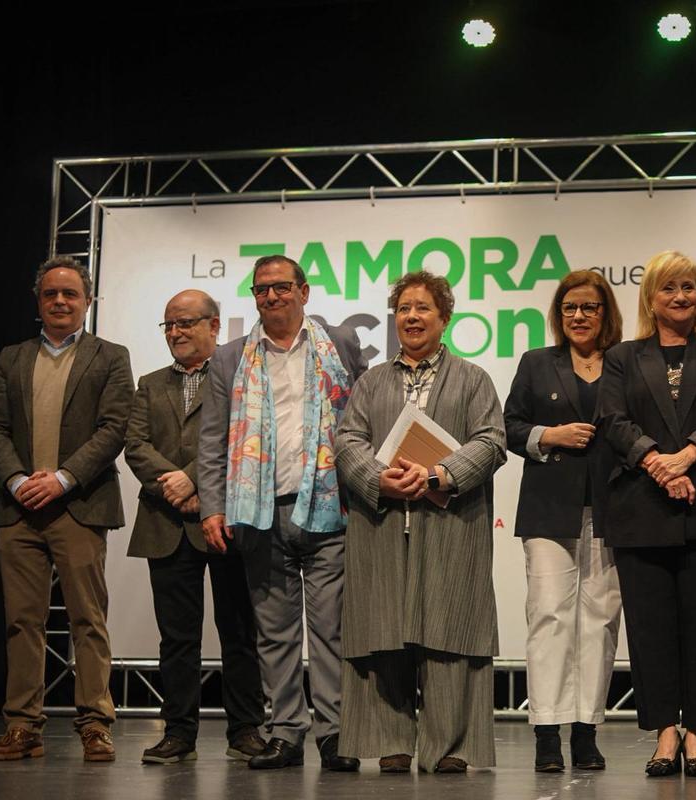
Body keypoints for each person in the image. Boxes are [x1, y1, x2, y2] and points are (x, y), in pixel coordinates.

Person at [198, 255, 366, 771]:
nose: (271, 296)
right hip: (260, 513)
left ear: (304, 292)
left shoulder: (340, 343)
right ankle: (287, 732)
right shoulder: (230, 358)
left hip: (328, 507)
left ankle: (335, 733)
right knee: (274, 633)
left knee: (331, 629)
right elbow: (212, 438)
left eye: (281, 287)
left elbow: (364, 419)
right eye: (261, 289)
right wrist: (212, 507)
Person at [335, 271, 506, 774]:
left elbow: (492, 441)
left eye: (423, 308)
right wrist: (378, 479)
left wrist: (438, 474)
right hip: (383, 522)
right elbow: (347, 441)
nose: (412, 317)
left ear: (444, 318)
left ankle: (450, 746)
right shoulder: (370, 382)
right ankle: (390, 740)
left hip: (450, 523)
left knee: (451, 631)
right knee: (383, 630)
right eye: (404, 309)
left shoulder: (473, 379)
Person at [595, 250, 696, 778]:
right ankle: (665, 733)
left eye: (688, 287)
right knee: (650, 630)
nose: (680, 296)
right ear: (650, 298)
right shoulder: (622, 356)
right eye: (668, 288)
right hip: (641, 511)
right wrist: (659, 465)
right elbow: (613, 420)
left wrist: (685, 457)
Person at [0, 256, 132, 762]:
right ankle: (22, 726)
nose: (59, 301)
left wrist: (62, 479)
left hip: (79, 504)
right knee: (21, 622)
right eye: (50, 293)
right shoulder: (11, 358)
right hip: (18, 509)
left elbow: (114, 428)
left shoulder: (110, 356)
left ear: (87, 300)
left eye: (69, 293)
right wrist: (17, 480)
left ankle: (95, 724)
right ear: (38, 300)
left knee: (88, 620)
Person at [124, 290, 266, 764]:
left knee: (238, 632)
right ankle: (178, 733)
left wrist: (195, 479)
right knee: (177, 638)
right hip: (165, 520)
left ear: (214, 326)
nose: (176, 332)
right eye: (169, 325)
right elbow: (135, 445)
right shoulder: (150, 383)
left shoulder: (238, 374)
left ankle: (245, 730)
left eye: (185, 322)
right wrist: (176, 484)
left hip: (224, 517)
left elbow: (242, 437)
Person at [504, 271, 624, 772]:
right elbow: (509, 427)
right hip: (549, 508)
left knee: (600, 622)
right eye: (570, 307)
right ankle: (547, 734)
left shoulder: (625, 361)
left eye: (589, 307)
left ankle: (586, 732)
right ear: (559, 314)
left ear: (605, 313)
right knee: (549, 616)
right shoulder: (537, 362)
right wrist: (549, 435)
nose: (579, 316)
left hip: (614, 508)